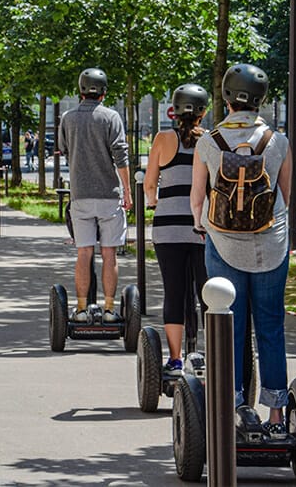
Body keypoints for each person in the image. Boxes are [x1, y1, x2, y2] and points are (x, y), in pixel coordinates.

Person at [190, 63, 293, 439]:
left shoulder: (209, 142)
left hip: (223, 244)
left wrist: (204, 227)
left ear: (226, 96)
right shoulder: (277, 141)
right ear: (262, 99)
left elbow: (197, 202)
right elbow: (284, 195)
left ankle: (231, 407)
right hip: (271, 246)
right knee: (270, 326)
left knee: (226, 327)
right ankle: (278, 416)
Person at [144, 83, 211, 376]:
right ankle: (211, 356)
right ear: (203, 112)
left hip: (168, 228)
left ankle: (174, 360)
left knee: (173, 291)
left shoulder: (162, 138)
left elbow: (149, 183)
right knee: (207, 292)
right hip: (201, 228)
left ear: (174, 109)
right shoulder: (210, 140)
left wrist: (152, 200)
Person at [57, 68, 132, 323]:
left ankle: (80, 309)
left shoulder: (68, 118)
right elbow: (121, 156)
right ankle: (110, 309)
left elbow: (64, 149)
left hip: (80, 195)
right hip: (109, 195)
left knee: (84, 252)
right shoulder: (111, 117)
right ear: (103, 92)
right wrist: (128, 191)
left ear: (80, 91)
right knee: (109, 253)